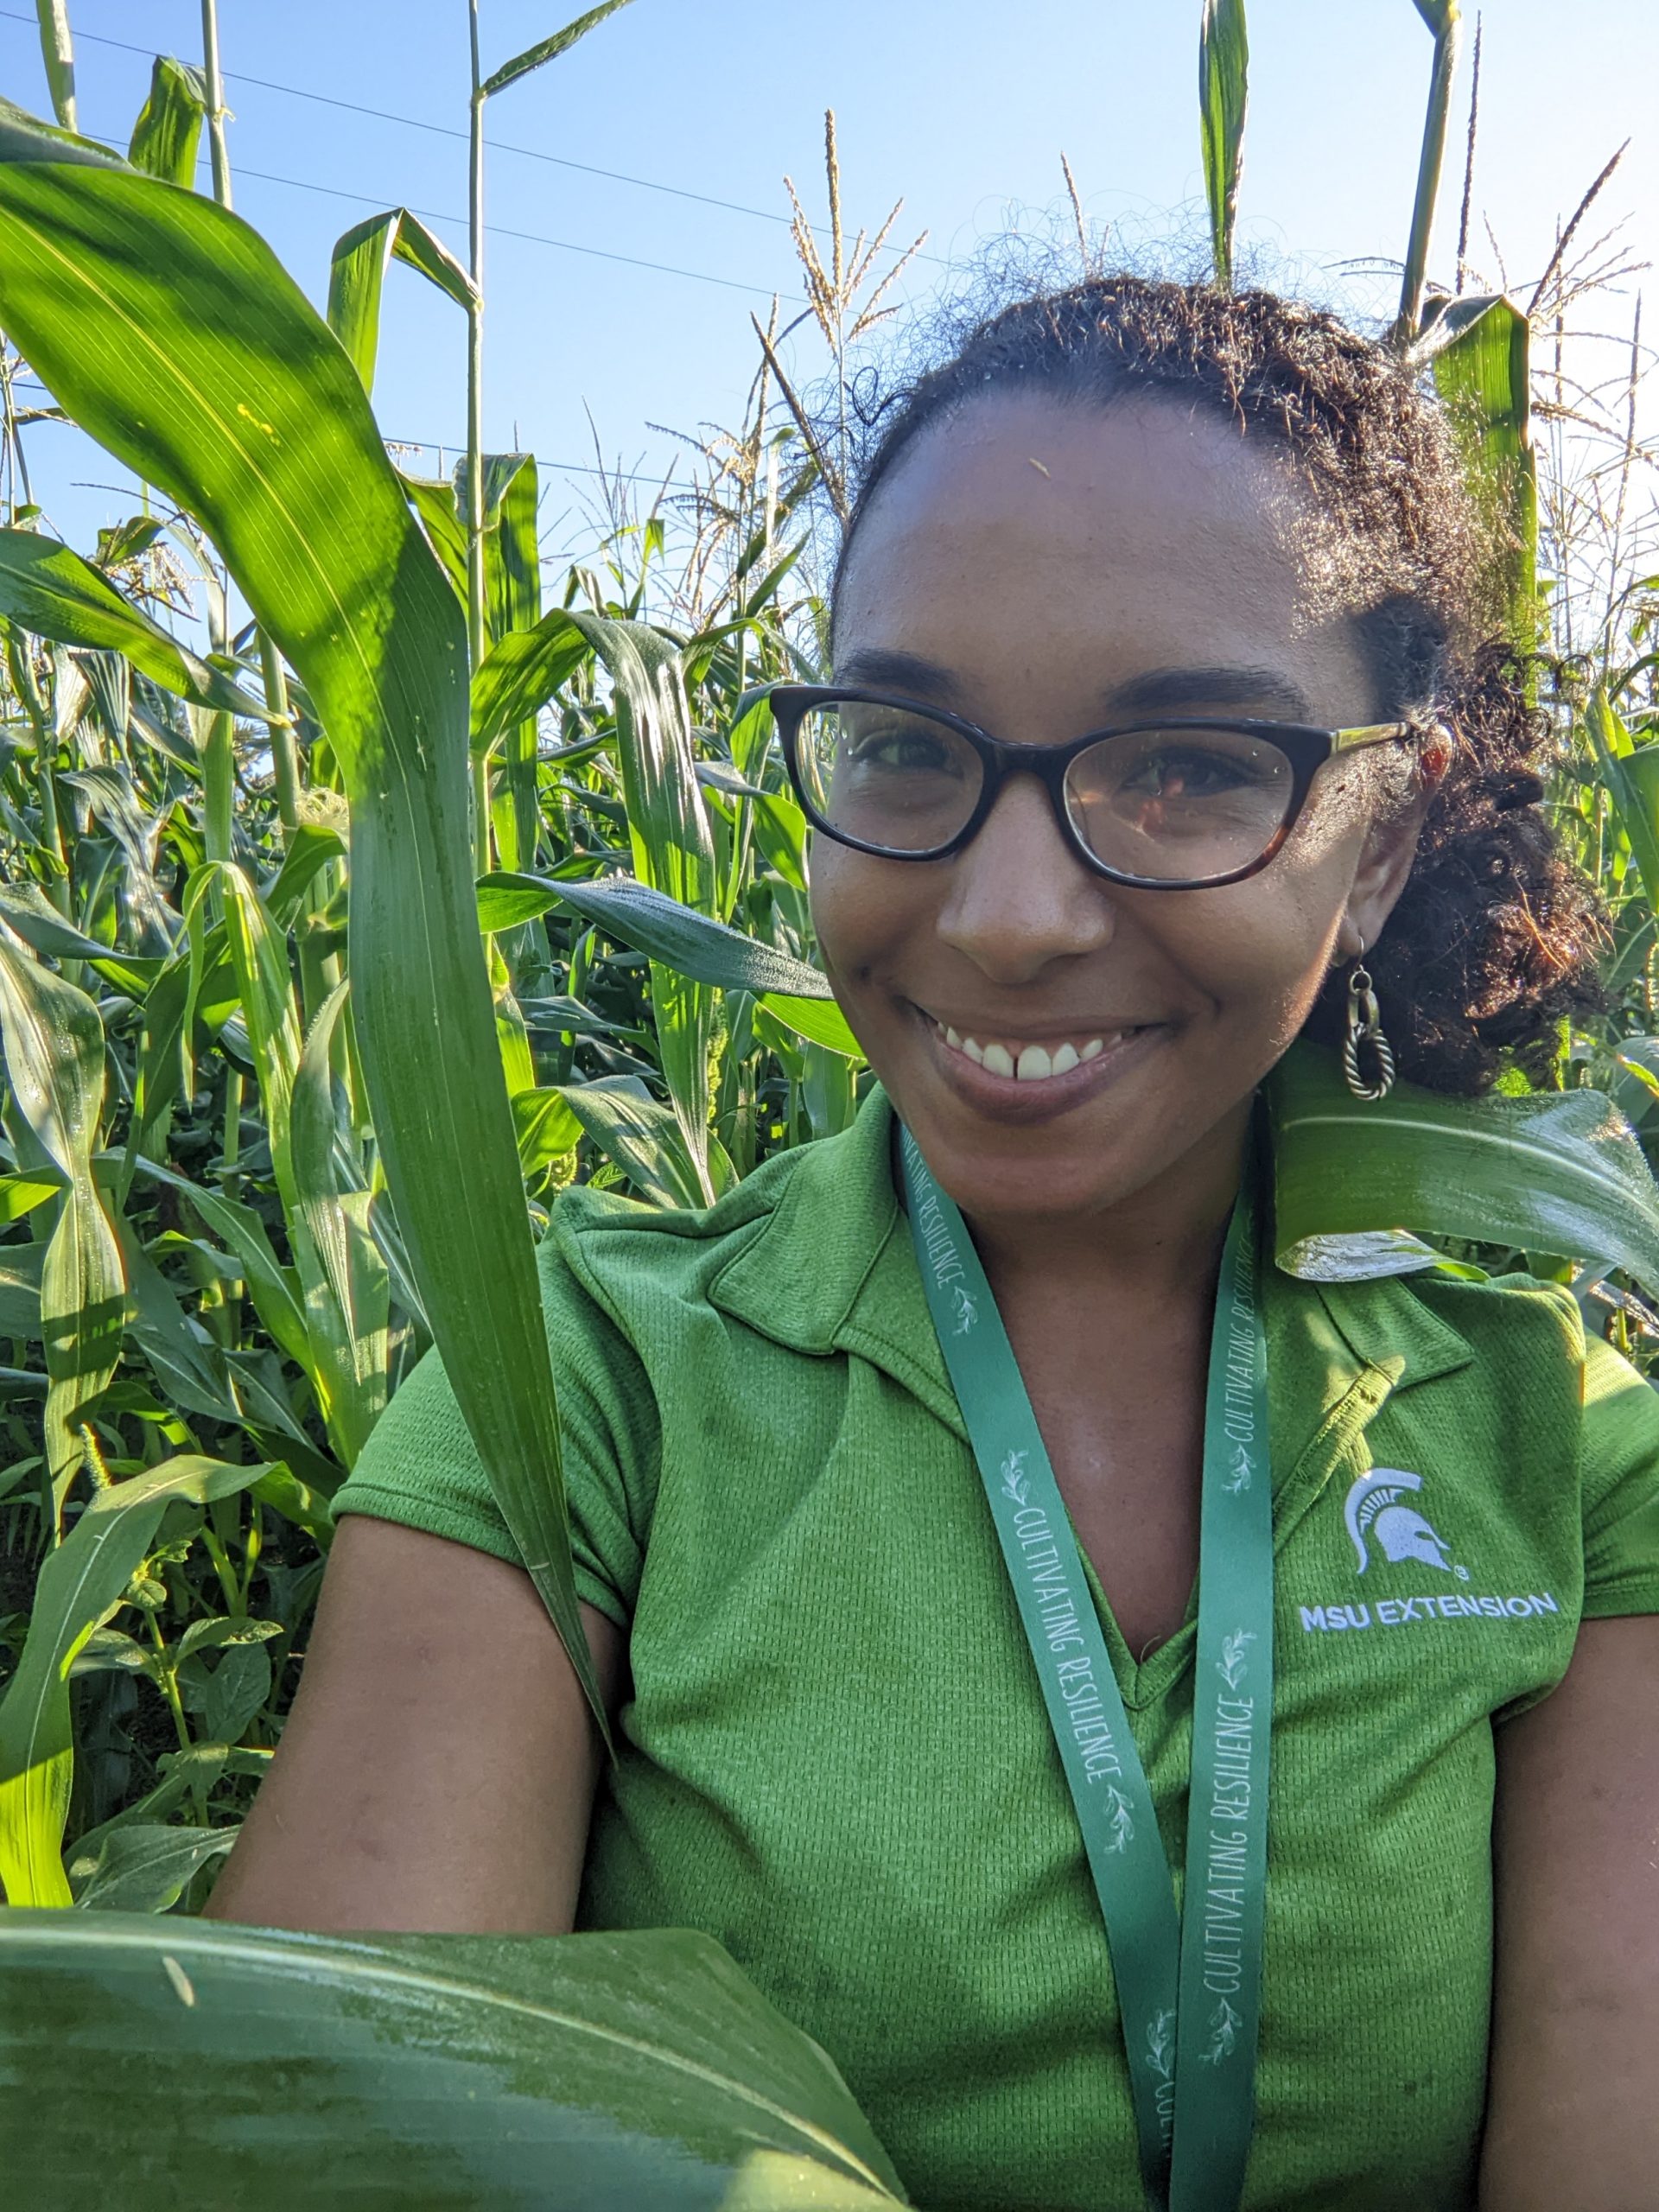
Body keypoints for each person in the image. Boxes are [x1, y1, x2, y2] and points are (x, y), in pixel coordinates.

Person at [207, 278, 1659, 2212]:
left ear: (1383, 836)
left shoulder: (1560, 1445)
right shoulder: (578, 1385)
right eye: (904, 744)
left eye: (1194, 766)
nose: (1009, 915)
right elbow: (339, 2144)